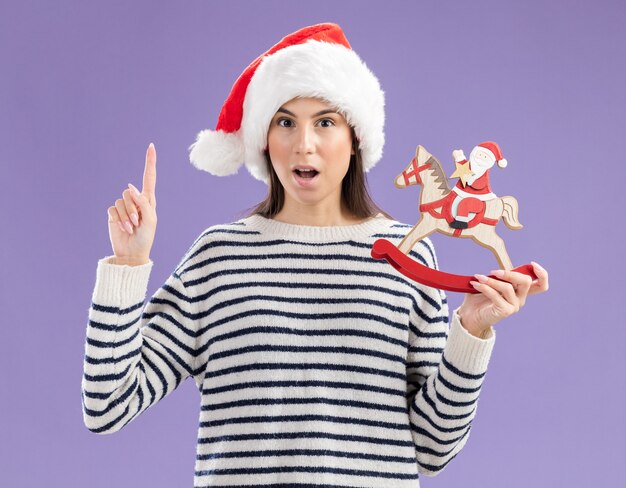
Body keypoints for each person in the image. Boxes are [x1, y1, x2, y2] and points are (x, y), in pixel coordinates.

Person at [81, 23, 549, 488]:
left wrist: (471, 329)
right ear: (264, 138)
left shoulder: (408, 256)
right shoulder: (218, 257)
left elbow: (432, 448)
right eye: (285, 122)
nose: (303, 143)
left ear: (356, 138)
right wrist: (127, 264)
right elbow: (107, 405)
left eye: (325, 121)